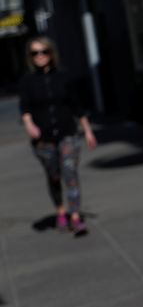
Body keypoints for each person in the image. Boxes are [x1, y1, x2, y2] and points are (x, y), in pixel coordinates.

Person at [19, 36, 98, 237]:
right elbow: (25, 108)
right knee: (54, 175)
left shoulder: (64, 76)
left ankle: (75, 218)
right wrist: (29, 125)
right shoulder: (27, 81)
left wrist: (87, 131)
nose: (40, 56)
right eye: (35, 53)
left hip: (67, 133)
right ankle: (60, 211)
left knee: (70, 174)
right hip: (43, 138)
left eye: (43, 52)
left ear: (51, 53)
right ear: (30, 57)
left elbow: (77, 106)